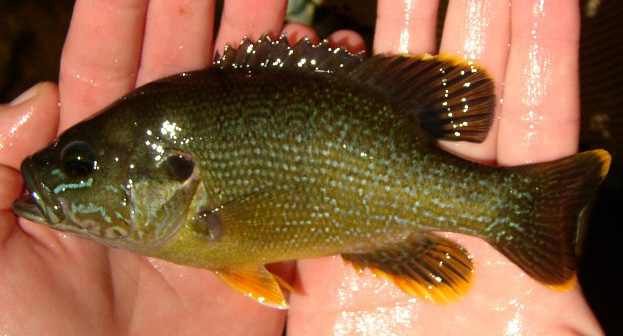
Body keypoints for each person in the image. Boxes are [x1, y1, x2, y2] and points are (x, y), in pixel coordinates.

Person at [0, 0, 603, 334]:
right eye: (78, 164)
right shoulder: (181, 219)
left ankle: (517, 207)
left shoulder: (191, 221)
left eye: (81, 163)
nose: (60, 179)